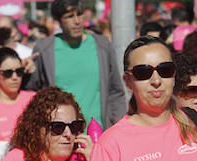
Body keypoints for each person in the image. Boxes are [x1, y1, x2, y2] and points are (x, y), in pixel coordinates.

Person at [26, 0, 126, 129]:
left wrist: (116, 125)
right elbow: (32, 93)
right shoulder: (44, 49)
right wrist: (25, 73)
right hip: (60, 134)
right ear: (58, 20)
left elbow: (116, 91)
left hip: (99, 133)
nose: (77, 21)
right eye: (69, 16)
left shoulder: (102, 45)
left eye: (80, 14)